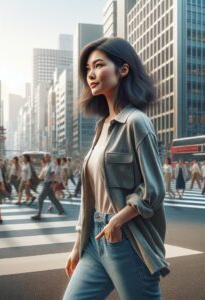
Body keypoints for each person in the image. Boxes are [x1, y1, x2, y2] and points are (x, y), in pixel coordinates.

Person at [63, 37, 169, 300]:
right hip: (94, 241)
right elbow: (89, 197)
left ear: (123, 69)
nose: (91, 74)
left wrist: (117, 222)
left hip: (126, 238)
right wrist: (78, 245)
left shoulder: (137, 122)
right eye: (88, 69)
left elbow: (154, 190)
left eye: (98, 65)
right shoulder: (102, 127)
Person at [31, 153, 65, 220]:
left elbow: (53, 174)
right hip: (46, 183)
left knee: (40, 198)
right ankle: (60, 209)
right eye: (46, 157)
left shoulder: (51, 165)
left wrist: (52, 183)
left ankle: (39, 214)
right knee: (53, 198)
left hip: (48, 184)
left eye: (48, 157)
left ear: (50, 158)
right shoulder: (46, 165)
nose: (47, 158)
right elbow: (42, 177)